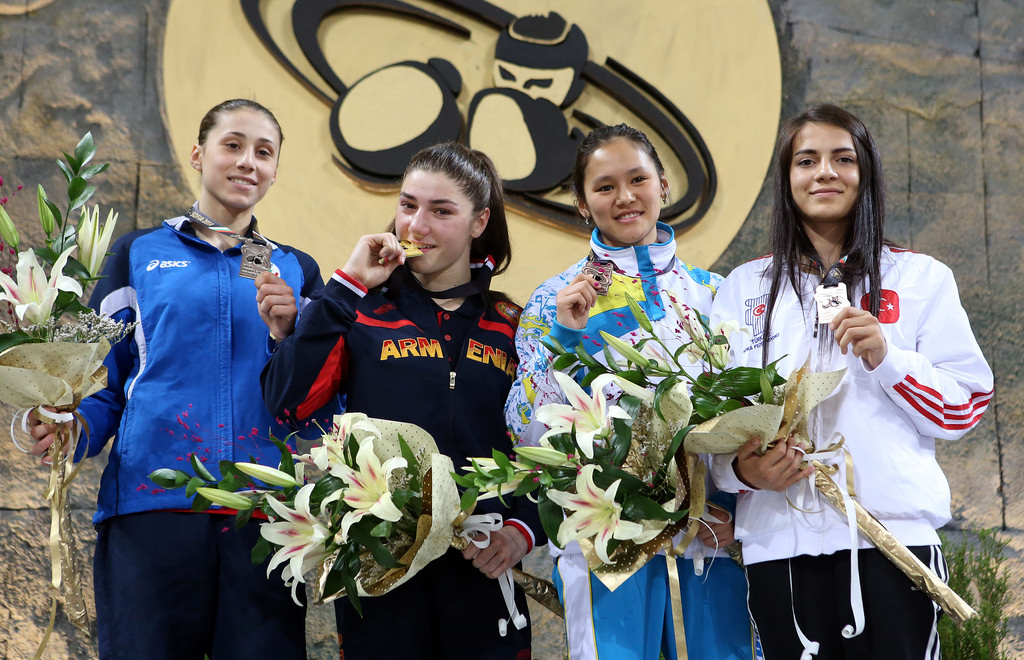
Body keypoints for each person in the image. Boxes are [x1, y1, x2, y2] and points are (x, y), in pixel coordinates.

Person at [28, 99, 333, 659]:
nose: (248, 162)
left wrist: (288, 339)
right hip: (151, 508)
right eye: (233, 145)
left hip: (263, 516)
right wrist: (67, 426)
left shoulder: (292, 269)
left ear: (275, 171)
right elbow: (101, 380)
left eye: (264, 152)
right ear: (199, 154)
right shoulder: (138, 254)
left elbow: (318, 407)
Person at [709, 104, 994, 658]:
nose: (824, 173)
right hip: (778, 542)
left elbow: (966, 406)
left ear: (866, 174)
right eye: (806, 160)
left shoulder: (921, 279)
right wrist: (741, 470)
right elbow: (710, 423)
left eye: (843, 159)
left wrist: (888, 357)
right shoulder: (741, 289)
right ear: (786, 178)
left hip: (891, 540)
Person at [260, 142, 543, 660]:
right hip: (380, 566)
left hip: (483, 561)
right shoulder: (358, 310)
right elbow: (287, 405)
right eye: (408, 205)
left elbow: (543, 445)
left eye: (441, 211)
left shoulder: (513, 323)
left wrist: (524, 530)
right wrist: (345, 285)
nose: (416, 226)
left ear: (479, 222)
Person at [506, 123, 757, 660]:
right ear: (581, 203)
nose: (624, 197)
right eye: (604, 187)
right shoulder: (555, 299)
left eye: (637, 179)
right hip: (607, 534)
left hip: (714, 532)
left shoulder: (718, 294)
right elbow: (524, 428)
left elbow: (754, 417)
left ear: (663, 185)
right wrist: (565, 338)